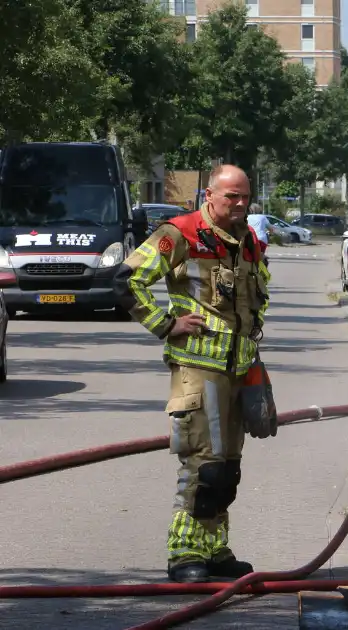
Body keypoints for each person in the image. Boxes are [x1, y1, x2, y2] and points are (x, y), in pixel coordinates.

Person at [113, 164, 273, 584]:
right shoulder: (179, 233)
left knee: (228, 469)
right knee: (204, 466)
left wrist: (255, 363)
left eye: (244, 196)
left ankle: (214, 551)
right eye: (230, 196)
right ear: (208, 195)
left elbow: (253, 305)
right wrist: (167, 324)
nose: (239, 204)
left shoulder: (250, 241)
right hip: (199, 369)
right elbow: (126, 281)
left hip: (239, 368)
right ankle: (184, 554)